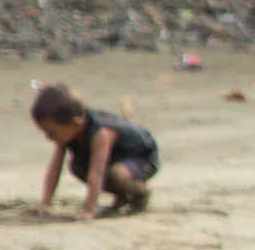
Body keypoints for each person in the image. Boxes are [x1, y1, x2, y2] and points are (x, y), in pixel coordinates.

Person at [26, 84, 158, 219]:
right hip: (115, 158)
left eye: (51, 133)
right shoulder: (68, 131)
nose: (48, 138)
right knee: (78, 167)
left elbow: (97, 171)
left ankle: (140, 192)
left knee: (115, 174)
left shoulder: (102, 133)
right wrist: (45, 203)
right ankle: (122, 196)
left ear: (75, 123)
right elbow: (55, 168)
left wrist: (89, 208)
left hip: (141, 158)